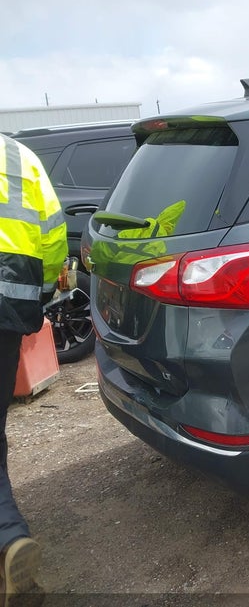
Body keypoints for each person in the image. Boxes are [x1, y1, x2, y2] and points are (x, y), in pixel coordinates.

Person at [0, 132, 67, 603]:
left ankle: (7, 537)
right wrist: (39, 299)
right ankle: (7, 538)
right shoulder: (18, 155)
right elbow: (53, 235)